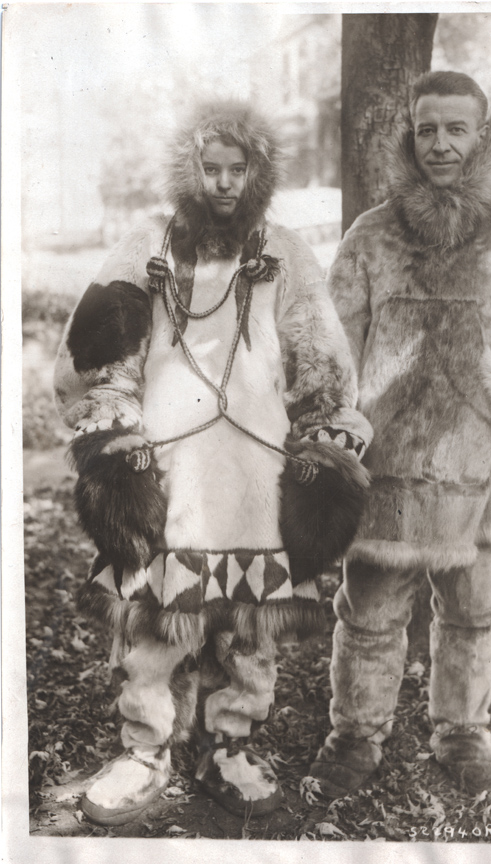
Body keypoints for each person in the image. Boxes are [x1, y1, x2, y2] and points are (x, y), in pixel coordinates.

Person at [53, 99, 372, 826]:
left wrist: (322, 443)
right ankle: (145, 750)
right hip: (167, 469)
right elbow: (95, 355)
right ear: (188, 169)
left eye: (239, 170)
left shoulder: (284, 251)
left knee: (247, 628)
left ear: (257, 173)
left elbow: (322, 360)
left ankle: (229, 744)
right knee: (154, 624)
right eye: (211, 168)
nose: (225, 184)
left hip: (254, 474)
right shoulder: (148, 246)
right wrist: (116, 437)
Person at [308, 70, 491, 798]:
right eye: (426, 128)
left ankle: (462, 731)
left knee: (474, 610)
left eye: (454, 128)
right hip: (386, 470)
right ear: (410, 135)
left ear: (482, 135)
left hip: (486, 469)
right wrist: (334, 423)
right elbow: (327, 345)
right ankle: (353, 735)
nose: (439, 144)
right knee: (369, 611)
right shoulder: (372, 235)